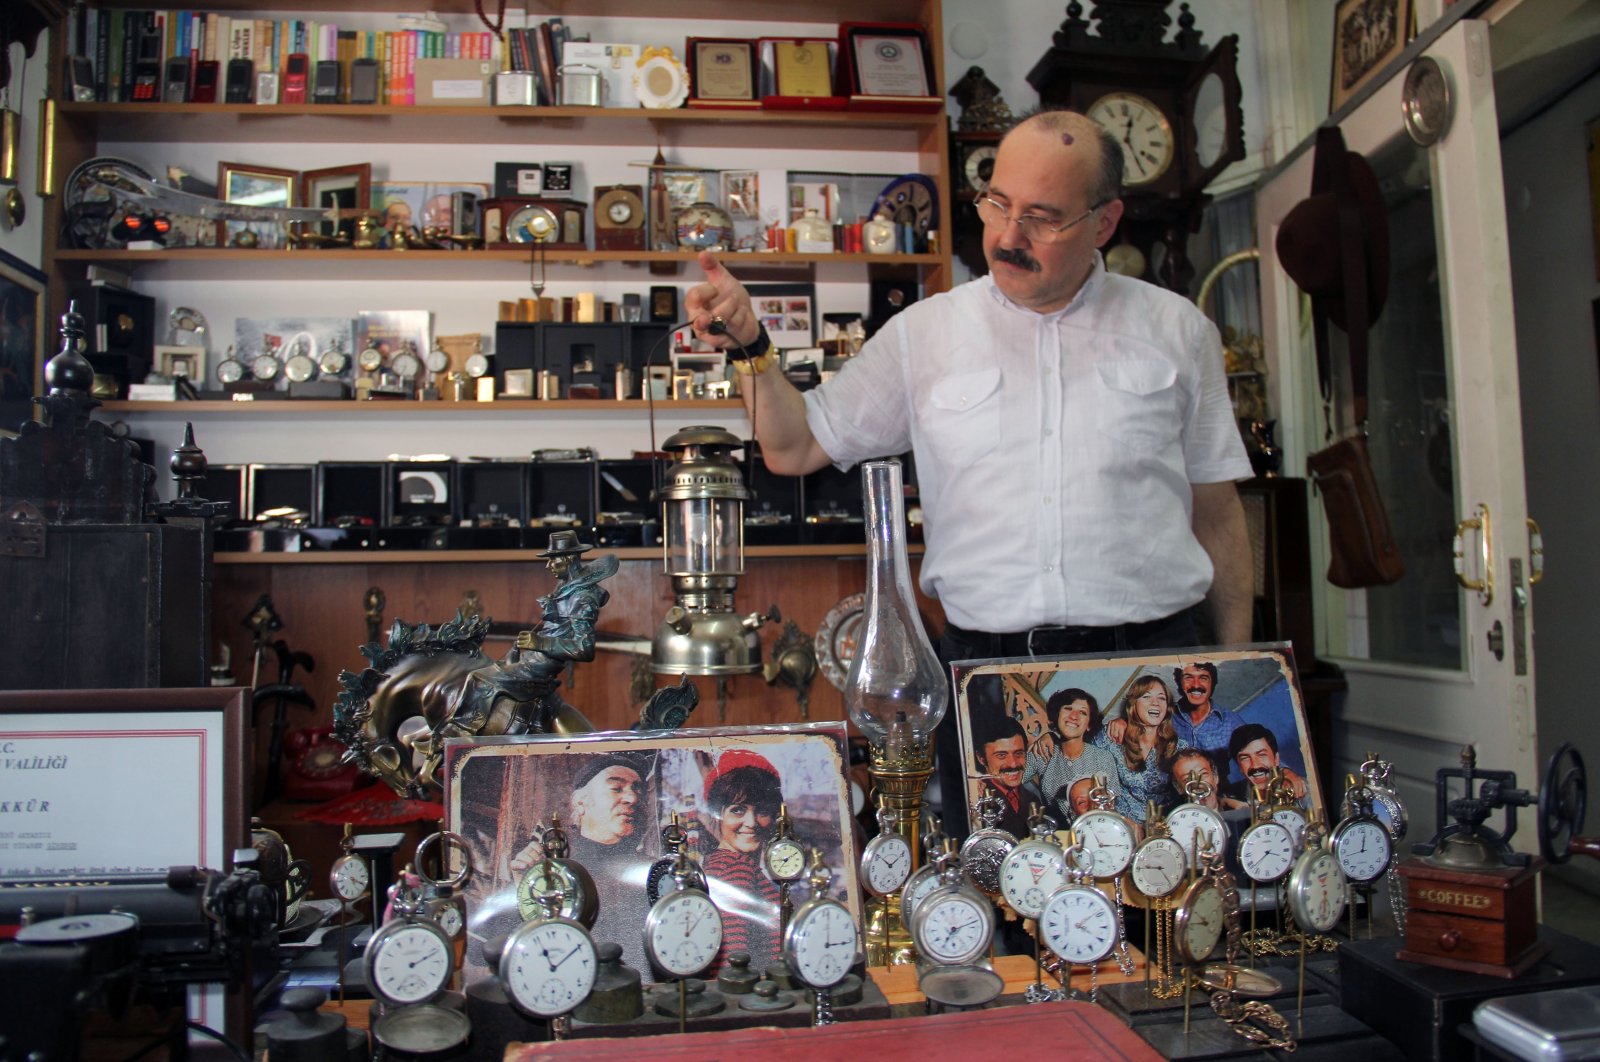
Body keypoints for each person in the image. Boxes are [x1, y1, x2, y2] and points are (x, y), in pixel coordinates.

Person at [683, 109, 1253, 834]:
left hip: (1152, 673)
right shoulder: (926, 335)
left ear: (1104, 222)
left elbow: (1217, 511)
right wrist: (749, 347)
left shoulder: (1178, 332)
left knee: (1165, 903)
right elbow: (793, 448)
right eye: (998, 205)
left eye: (1042, 218)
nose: (1008, 237)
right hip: (988, 678)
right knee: (1001, 906)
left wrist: (1235, 666)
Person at [698, 750, 785, 974]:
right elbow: (733, 965)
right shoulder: (732, 868)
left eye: (762, 811)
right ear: (718, 815)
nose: (751, 823)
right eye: (738, 810)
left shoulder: (724, 864)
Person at [1094, 675, 1184, 822]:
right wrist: (1052, 737)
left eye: (1161, 698)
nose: (1155, 703)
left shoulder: (1180, 747)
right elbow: (1081, 754)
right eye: (1147, 697)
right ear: (1133, 704)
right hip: (1121, 826)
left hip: (1164, 827)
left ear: (1167, 707)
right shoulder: (1113, 736)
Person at [1032, 687, 1121, 825]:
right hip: (1056, 834)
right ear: (1057, 715)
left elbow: (1113, 808)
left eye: (1083, 712)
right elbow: (1013, 774)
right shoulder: (1043, 751)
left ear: (1089, 725)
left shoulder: (1103, 758)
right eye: (1068, 708)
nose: (1074, 716)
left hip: (1097, 830)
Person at [971, 715, 1043, 838]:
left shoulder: (1032, 799)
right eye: (1001, 755)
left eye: (1019, 753)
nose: (1013, 764)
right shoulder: (976, 800)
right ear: (981, 759)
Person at [1223, 723, 1309, 807]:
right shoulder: (1232, 797)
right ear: (1240, 767)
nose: (1255, 765)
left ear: (1276, 759)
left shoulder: (1301, 789)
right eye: (1245, 758)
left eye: (1262, 755)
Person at [1171, 661, 1244, 760]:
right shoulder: (1167, 717)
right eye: (1188, 677)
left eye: (1203, 678)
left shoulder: (1231, 722)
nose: (1196, 685)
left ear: (1212, 683)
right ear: (1179, 682)